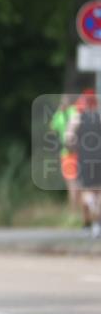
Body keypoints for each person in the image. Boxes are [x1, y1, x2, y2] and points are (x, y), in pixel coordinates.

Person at [66, 90, 101, 238]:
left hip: (85, 159)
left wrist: (74, 147)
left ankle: (92, 222)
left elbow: (68, 139)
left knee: (86, 192)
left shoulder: (77, 118)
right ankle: (96, 224)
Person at [52, 94, 89, 227]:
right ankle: (84, 216)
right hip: (81, 153)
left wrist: (59, 110)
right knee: (82, 186)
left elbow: (52, 128)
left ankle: (74, 215)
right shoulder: (75, 111)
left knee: (72, 186)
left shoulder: (59, 116)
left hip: (67, 153)